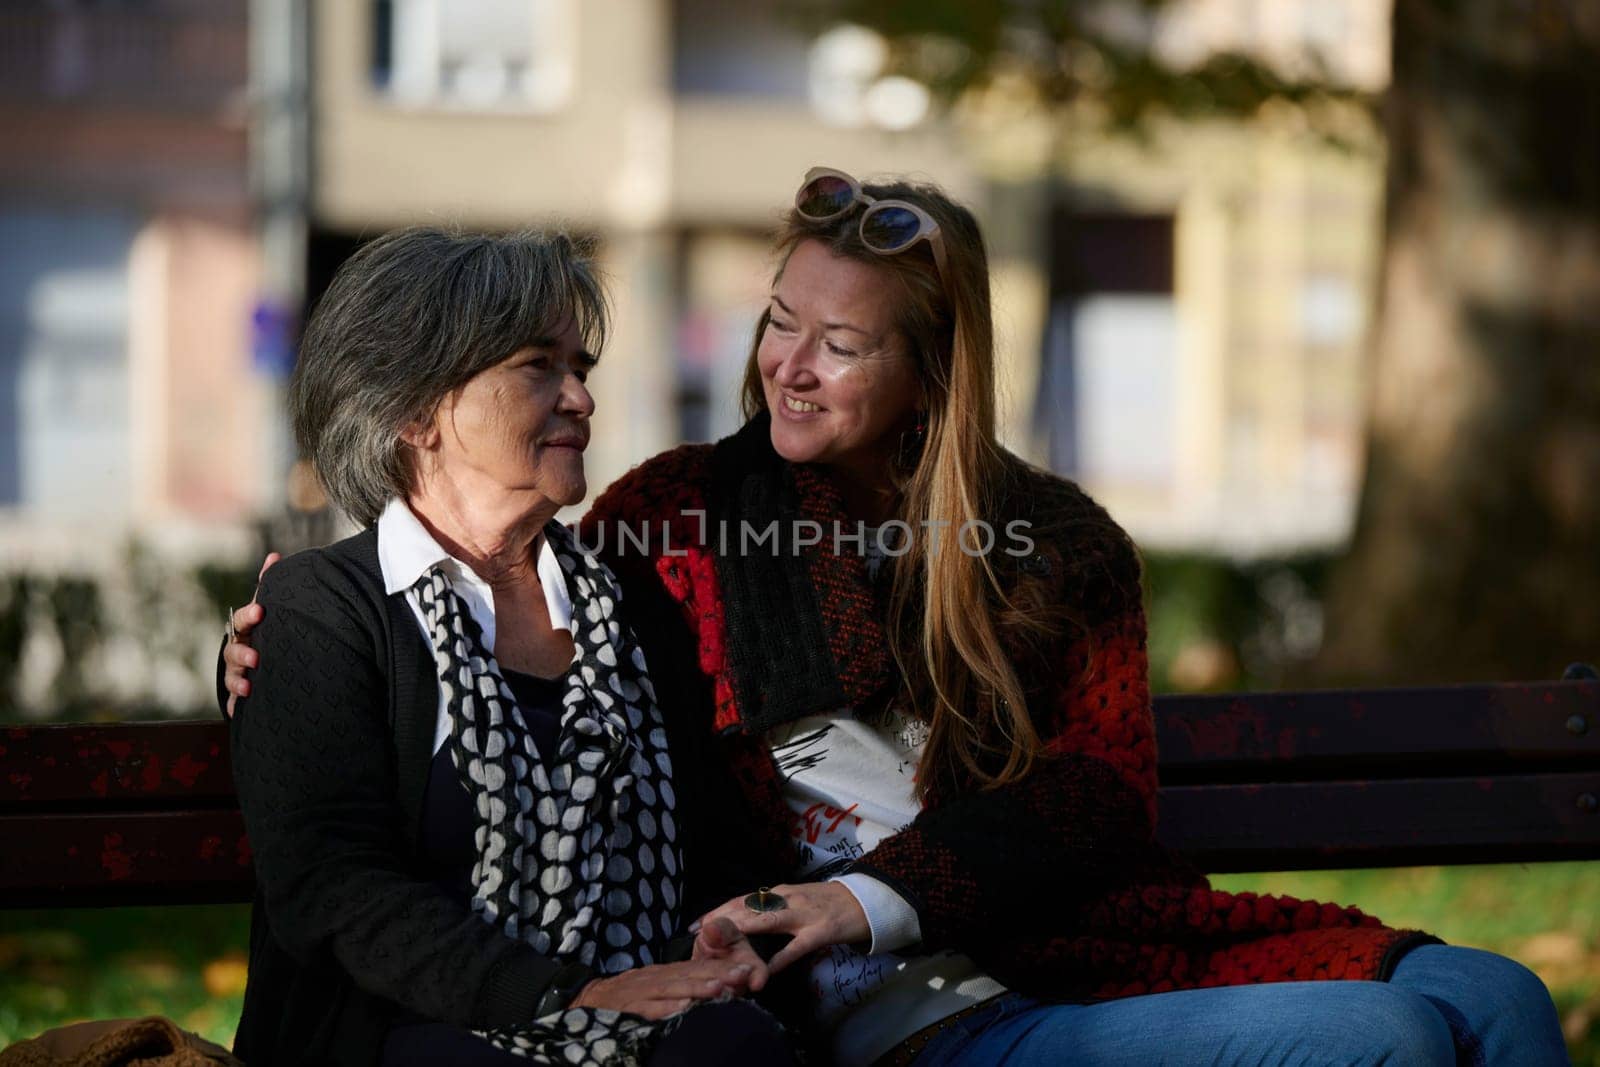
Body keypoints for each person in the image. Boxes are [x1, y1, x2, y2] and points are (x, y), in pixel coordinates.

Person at [225, 172, 1569, 1065]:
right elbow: (442, 596)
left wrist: (872, 897)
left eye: (842, 344)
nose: (782, 366)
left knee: (1496, 998)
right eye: (776, 322)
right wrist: (278, 632)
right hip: (887, 998)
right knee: (1385, 1034)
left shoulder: (1042, 544)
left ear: (932, 374)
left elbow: (1093, 792)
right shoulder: (677, 523)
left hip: (1043, 937)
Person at [221, 227, 799, 1067]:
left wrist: (722, 943)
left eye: (582, 369)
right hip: (399, 1031)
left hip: (625, 1023)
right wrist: (564, 995)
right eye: (538, 366)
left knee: (737, 1045)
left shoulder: (629, 606)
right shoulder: (324, 609)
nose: (581, 398)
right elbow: (335, 891)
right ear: (416, 408)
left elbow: (713, 841)